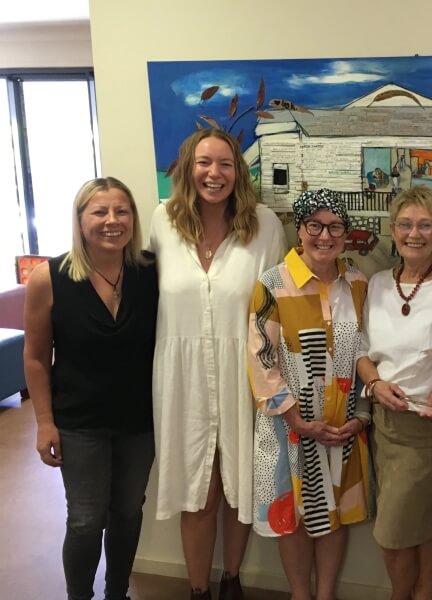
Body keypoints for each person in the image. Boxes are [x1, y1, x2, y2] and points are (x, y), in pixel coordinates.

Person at [149, 129, 287, 600]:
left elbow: (276, 306)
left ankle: (232, 579)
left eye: (225, 163)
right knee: (198, 489)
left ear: (238, 171)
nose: (215, 173)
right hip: (182, 379)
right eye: (204, 162)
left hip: (245, 374)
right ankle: (197, 589)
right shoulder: (161, 223)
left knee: (240, 487)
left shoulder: (265, 225)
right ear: (188, 167)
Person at [24, 177, 158, 600]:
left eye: (122, 211)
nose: (112, 221)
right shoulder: (50, 277)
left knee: (127, 513)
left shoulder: (151, 271)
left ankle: (117, 593)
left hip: (140, 420)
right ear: (81, 220)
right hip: (78, 421)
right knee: (85, 519)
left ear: (133, 220)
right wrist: (44, 422)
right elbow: (34, 356)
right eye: (99, 212)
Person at [248, 188, 371, 600]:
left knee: (334, 511)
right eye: (314, 225)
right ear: (299, 230)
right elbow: (261, 359)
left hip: (342, 429)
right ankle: (301, 595)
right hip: (291, 429)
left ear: (345, 233)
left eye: (335, 226)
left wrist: (362, 415)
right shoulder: (271, 284)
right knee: (294, 515)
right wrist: (295, 419)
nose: (324, 235)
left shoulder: (357, 283)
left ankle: (326, 595)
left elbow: (368, 352)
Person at [357, 186, 432, 600]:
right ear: (392, 229)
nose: (415, 233)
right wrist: (373, 382)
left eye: (426, 225)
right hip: (384, 426)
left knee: (393, 532)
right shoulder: (376, 284)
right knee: (417, 527)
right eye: (406, 224)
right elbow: (362, 349)